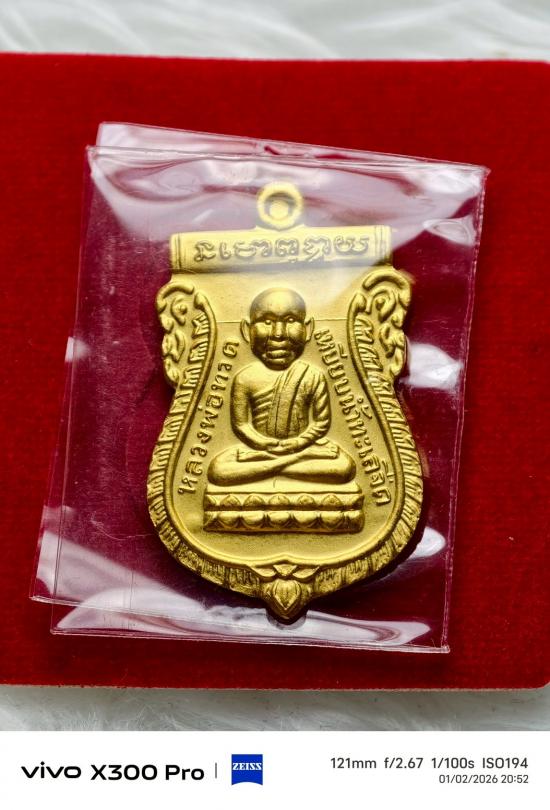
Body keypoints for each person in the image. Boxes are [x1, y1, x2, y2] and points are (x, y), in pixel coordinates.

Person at [208, 287, 355, 486]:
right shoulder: (244, 378)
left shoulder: (313, 375)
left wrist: (299, 443)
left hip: (303, 449)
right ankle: (286, 465)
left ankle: (274, 467)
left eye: (291, 321)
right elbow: (241, 425)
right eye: (267, 322)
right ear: (246, 331)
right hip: (260, 451)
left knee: (344, 466)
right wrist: (263, 443)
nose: (278, 334)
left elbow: (321, 423)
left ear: (308, 329)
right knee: (218, 469)